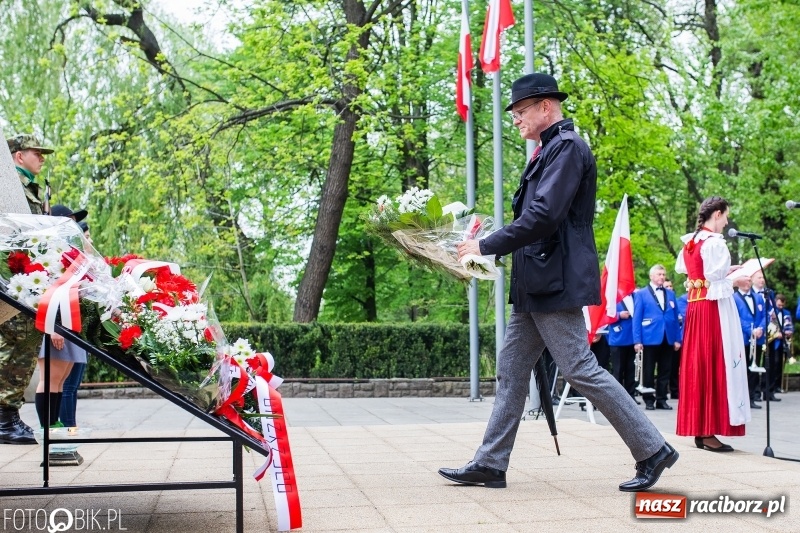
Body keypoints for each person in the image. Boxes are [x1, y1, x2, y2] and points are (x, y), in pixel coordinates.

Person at [439, 73, 677, 493]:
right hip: (537, 282)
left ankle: (653, 449)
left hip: (554, 280)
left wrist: (487, 245)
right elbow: (536, 220)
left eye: (520, 110)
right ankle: (491, 464)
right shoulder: (549, 151)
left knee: (580, 368)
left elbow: (544, 216)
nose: (514, 118)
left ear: (545, 107)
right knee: (512, 373)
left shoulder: (567, 148)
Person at [675, 196, 750, 451]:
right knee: (713, 363)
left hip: (696, 308)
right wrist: (737, 280)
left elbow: (701, 276)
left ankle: (701, 428)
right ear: (716, 214)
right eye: (726, 215)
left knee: (700, 364)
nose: (727, 221)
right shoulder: (715, 243)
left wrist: (728, 273)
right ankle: (707, 432)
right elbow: (715, 285)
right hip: (711, 310)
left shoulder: (691, 242)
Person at [0, 134, 52, 445]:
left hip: (29, 280)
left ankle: (8, 413)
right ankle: (4, 415)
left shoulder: (31, 188)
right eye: (37, 153)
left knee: (26, 344)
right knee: (15, 344)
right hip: (14, 278)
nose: (42, 158)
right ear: (18, 156)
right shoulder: (11, 187)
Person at [37, 205, 89, 466]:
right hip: (56, 323)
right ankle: (49, 433)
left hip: (69, 323)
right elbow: (48, 289)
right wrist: (55, 326)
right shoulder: (50, 248)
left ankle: (55, 432)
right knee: (51, 381)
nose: (74, 225)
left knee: (60, 381)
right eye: (69, 220)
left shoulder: (66, 249)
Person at [632, 265, 682, 410]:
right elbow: (637, 318)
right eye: (659, 274)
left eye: (663, 274)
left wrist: (677, 339)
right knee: (648, 370)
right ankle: (649, 399)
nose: (662, 277)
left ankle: (661, 399)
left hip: (668, 337)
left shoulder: (670, 294)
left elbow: (675, 316)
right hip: (649, 336)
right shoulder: (641, 294)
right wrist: (637, 340)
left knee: (665, 370)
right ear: (651, 276)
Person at [733, 275, 767, 409]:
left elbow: (764, 315)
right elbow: (736, 317)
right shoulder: (734, 298)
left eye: (749, 280)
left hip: (757, 339)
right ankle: (739, 399)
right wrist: (750, 330)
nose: (747, 282)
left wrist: (760, 329)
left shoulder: (758, 298)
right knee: (741, 370)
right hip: (742, 338)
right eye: (745, 279)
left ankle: (751, 397)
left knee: (753, 369)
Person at [608, 297, 638, 403]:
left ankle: (631, 396)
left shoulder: (635, 297)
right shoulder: (612, 296)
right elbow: (605, 316)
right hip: (618, 339)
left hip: (632, 338)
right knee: (618, 370)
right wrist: (619, 315)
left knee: (631, 369)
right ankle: (618, 398)